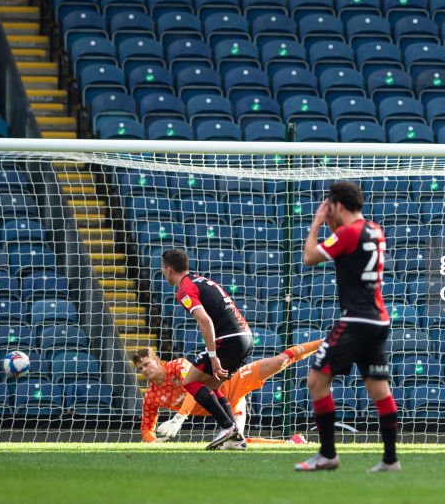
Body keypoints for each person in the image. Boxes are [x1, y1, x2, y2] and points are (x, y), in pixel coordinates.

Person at [295, 181, 400, 473]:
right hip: (378, 319)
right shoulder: (374, 230)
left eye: (330, 207)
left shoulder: (347, 233)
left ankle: (327, 454)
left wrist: (317, 224)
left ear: (339, 206)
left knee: (316, 381)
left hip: (355, 320)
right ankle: (391, 459)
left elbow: (310, 257)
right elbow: (347, 251)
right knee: (379, 389)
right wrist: (333, 226)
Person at [131, 339, 322, 447]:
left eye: (147, 364)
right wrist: (154, 441)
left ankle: (326, 341)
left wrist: (179, 418)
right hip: (226, 405)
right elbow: (146, 429)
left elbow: (194, 388)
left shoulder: (177, 366)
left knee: (279, 362)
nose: (145, 370)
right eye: (140, 369)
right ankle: (292, 443)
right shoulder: (151, 396)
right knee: (234, 442)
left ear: (157, 360)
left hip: (232, 382)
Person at [162, 248, 252, 450]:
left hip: (228, 340)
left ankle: (228, 427)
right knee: (211, 386)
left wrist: (213, 356)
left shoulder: (185, 289)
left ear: (168, 270)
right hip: (245, 337)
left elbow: (204, 320)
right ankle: (236, 438)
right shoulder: (202, 280)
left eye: (163, 270)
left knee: (190, 381)